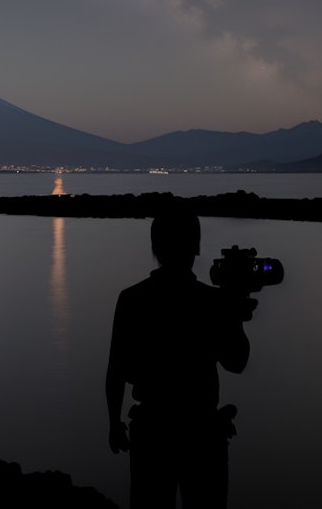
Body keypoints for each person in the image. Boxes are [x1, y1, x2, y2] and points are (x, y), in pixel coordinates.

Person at [106, 210, 253, 509]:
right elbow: (237, 362)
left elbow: (116, 370)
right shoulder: (212, 302)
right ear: (196, 247)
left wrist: (114, 423)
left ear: (154, 248)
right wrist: (234, 310)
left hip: (152, 433)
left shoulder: (132, 299)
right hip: (203, 436)